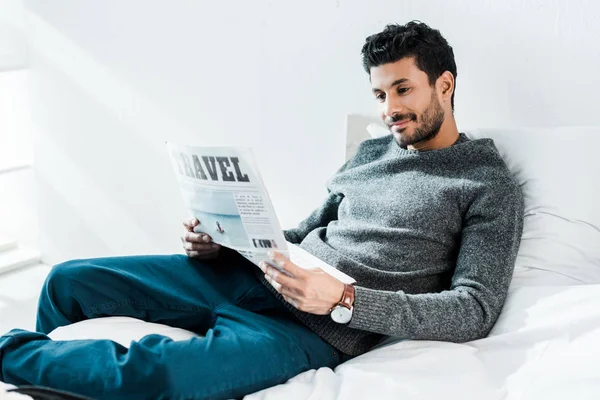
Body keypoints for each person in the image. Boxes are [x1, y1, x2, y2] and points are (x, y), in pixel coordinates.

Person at [0, 21, 523, 400]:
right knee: (68, 282)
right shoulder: (371, 152)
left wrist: (345, 299)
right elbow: (307, 230)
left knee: (161, 377)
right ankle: (44, 385)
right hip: (249, 274)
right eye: (380, 93)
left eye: (402, 90)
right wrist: (223, 239)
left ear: (445, 85)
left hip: (312, 328)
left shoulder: (484, 183)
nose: (389, 110)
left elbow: (473, 310)